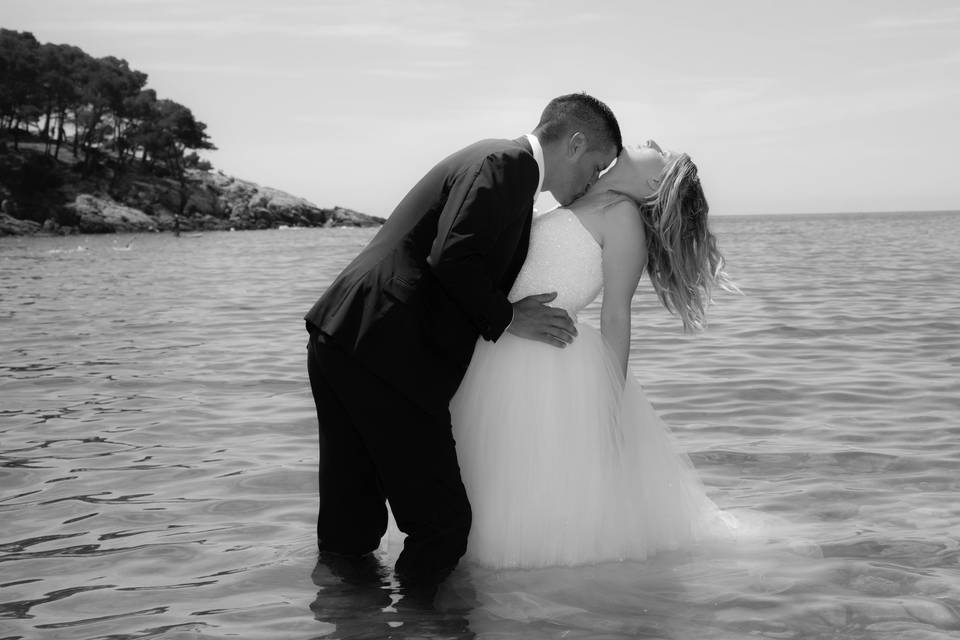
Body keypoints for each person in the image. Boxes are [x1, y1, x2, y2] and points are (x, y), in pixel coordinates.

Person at [304, 93, 622, 589]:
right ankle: (422, 626)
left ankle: (348, 619)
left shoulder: (497, 161)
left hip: (345, 335)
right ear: (576, 143)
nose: (593, 183)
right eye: (597, 168)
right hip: (387, 348)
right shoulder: (509, 163)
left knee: (352, 523)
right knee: (443, 527)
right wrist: (509, 316)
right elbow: (453, 256)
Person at [448, 140, 737, 568]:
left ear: (655, 180)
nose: (652, 142)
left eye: (662, 151)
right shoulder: (577, 194)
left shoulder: (621, 217)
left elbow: (616, 316)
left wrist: (610, 404)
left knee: (531, 493)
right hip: (501, 342)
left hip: (547, 359)